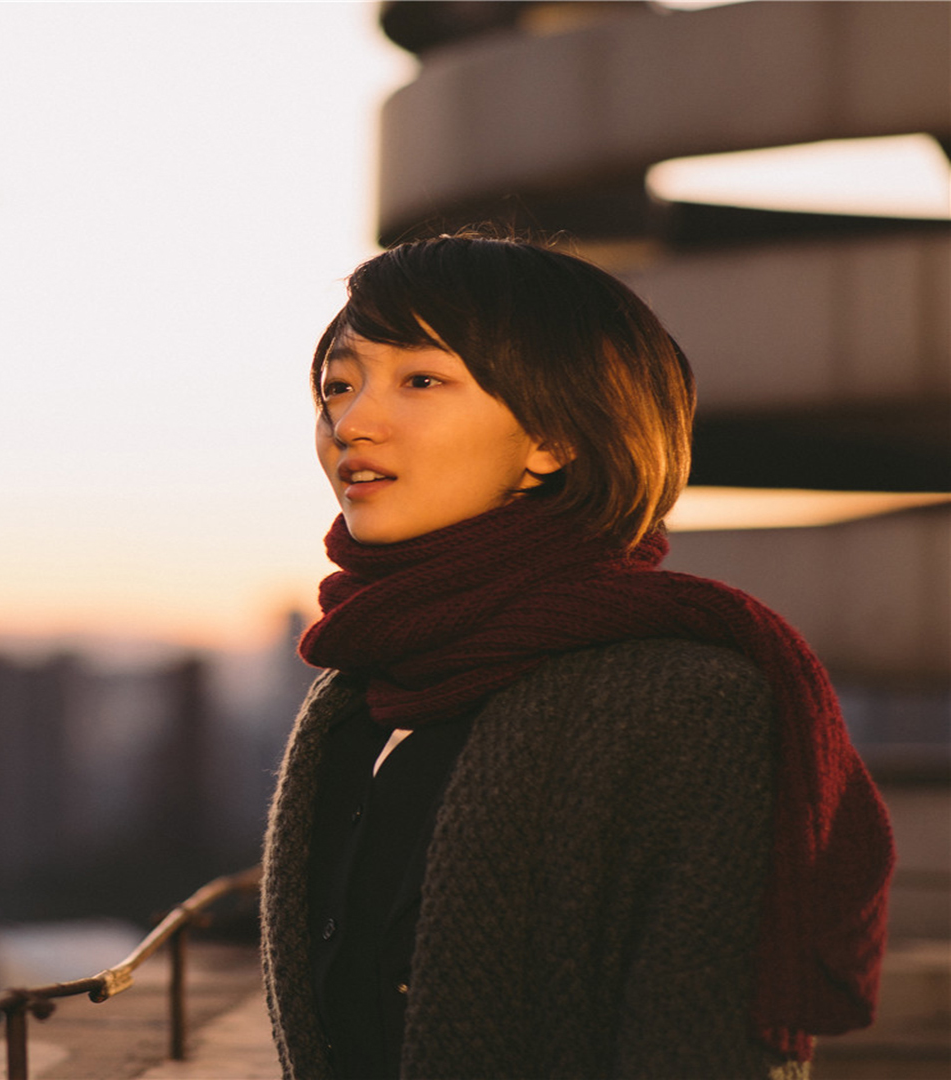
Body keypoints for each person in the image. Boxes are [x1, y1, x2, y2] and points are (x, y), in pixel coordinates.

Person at [258, 234, 894, 1080]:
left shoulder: (689, 705)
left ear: (553, 438)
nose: (351, 422)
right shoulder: (352, 696)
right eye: (339, 385)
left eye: (421, 380)